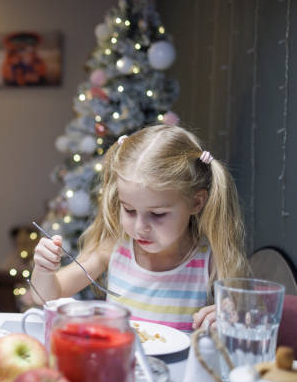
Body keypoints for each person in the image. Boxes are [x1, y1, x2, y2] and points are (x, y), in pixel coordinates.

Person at [32, 125, 249, 331]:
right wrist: (44, 269)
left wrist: (227, 315)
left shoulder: (208, 260)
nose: (140, 227)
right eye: (129, 210)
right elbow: (48, 295)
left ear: (196, 203)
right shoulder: (113, 248)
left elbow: (245, 317)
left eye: (157, 214)